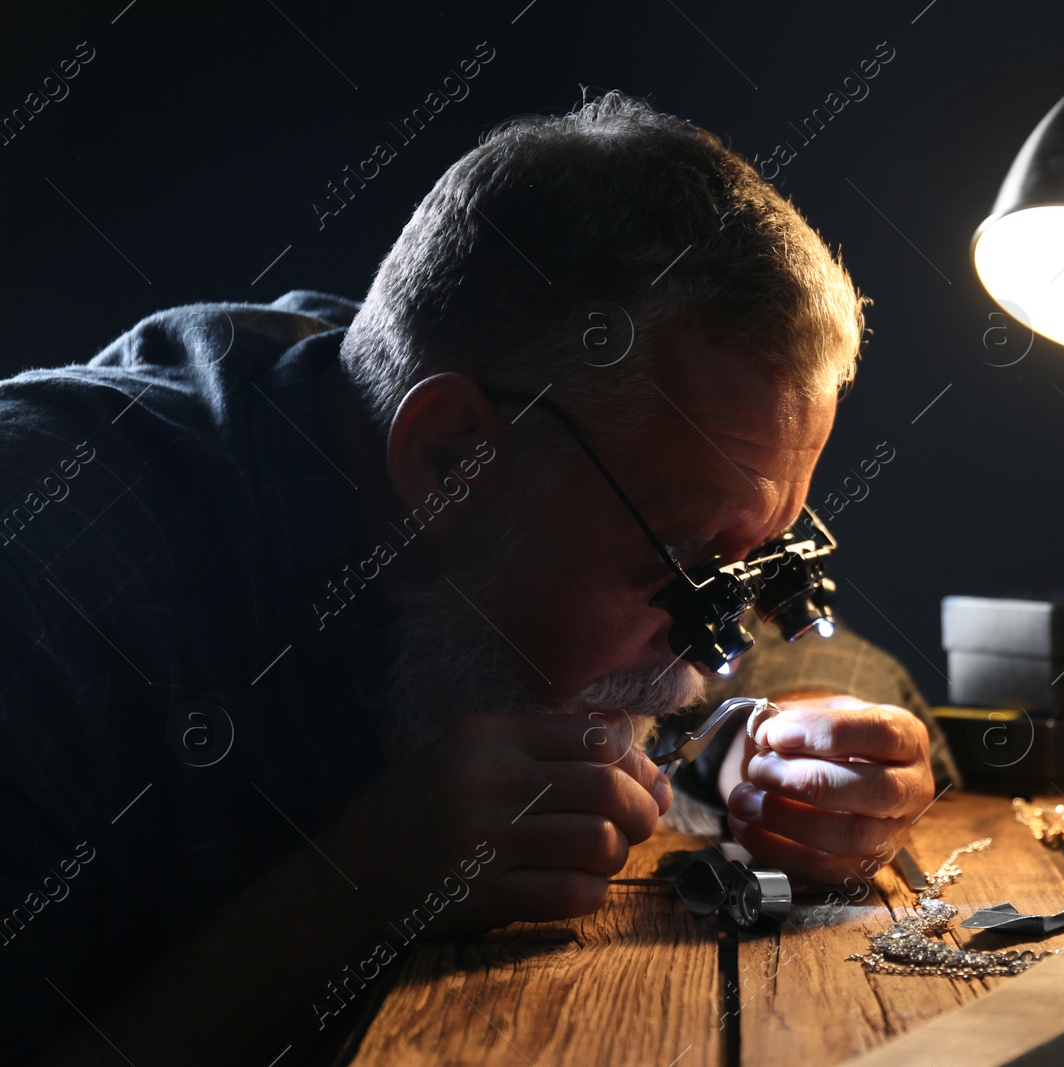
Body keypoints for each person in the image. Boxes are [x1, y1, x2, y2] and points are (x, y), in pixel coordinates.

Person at [0, 91, 958, 1065]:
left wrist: (785, 751)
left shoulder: (480, 430)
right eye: (690, 566)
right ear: (450, 459)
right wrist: (350, 892)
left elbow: (800, 660)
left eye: (759, 560)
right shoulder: (43, 582)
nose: (711, 648)